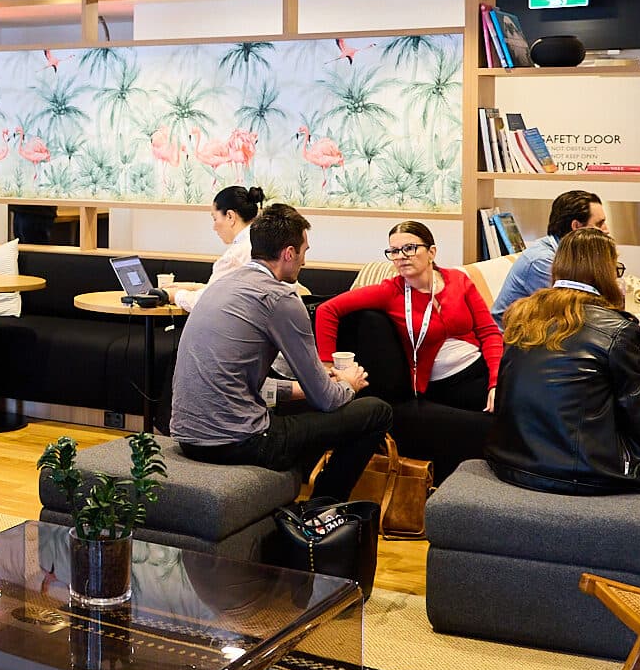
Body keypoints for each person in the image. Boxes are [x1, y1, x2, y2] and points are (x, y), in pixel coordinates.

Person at [170, 204, 391, 501]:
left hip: (188, 438)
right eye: (303, 251)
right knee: (376, 411)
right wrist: (348, 384)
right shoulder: (281, 297)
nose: (304, 261)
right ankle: (320, 510)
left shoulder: (221, 286)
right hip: (240, 441)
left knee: (303, 408)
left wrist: (303, 388)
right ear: (288, 253)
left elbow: (240, 383)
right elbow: (326, 399)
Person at [486, 228, 640, 499]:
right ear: (607, 272)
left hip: (508, 462)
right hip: (579, 473)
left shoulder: (521, 314)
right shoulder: (618, 328)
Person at [314, 220, 502, 480]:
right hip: (445, 386)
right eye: (394, 251)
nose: (401, 257)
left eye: (410, 248)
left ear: (432, 252)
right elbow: (327, 310)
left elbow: (490, 332)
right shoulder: (390, 292)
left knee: (522, 397)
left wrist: (495, 381)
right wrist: (326, 367)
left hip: (480, 369)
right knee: (509, 418)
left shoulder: (458, 281)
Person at [492, 189, 605, 322]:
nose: (606, 230)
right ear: (576, 226)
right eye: (599, 224)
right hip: (511, 337)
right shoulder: (543, 260)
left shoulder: (572, 255)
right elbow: (569, 311)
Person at [207, 184, 265, 284]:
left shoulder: (235, 257)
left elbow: (209, 296)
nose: (214, 228)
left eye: (215, 218)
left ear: (230, 216)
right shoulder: (264, 240)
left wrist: (175, 294)